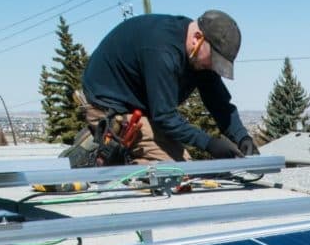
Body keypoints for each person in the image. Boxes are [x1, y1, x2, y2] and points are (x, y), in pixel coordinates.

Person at [78, 10, 258, 164]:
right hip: (108, 105)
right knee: (172, 171)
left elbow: (220, 104)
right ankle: (97, 151)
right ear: (197, 39)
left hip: (143, 108)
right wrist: (208, 143)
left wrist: (242, 137)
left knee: (181, 168)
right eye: (213, 60)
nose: (213, 66)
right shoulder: (162, 51)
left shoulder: (199, 58)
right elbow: (164, 116)